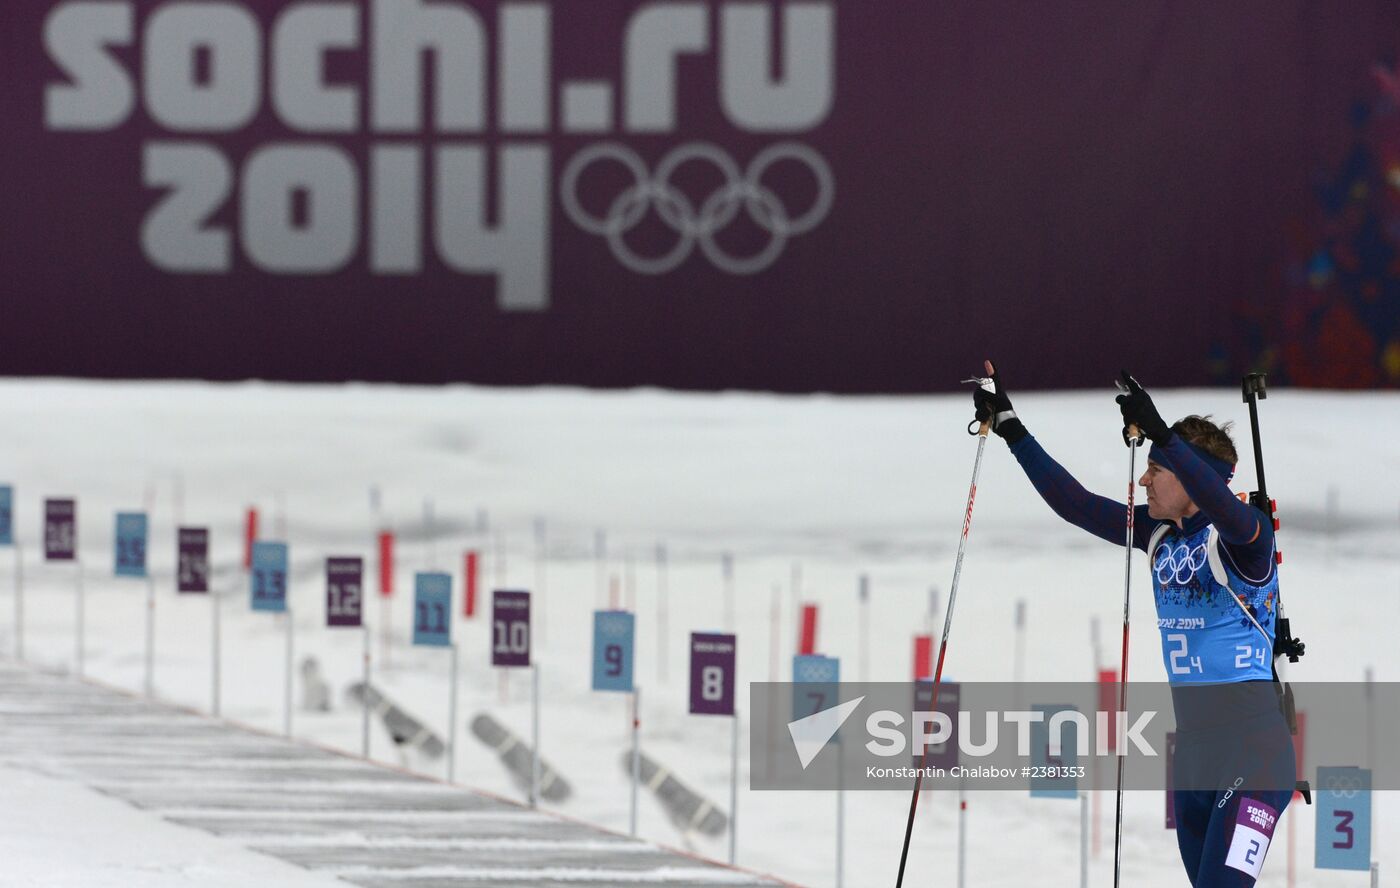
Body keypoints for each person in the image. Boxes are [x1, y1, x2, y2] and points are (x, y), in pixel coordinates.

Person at [972, 360, 1295, 888]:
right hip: (1193, 760)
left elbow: (1229, 514)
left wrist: (1168, 437)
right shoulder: (1158, 533)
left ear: (1194, 476)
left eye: (1158, 469)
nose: (1144, 478)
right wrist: (1012, 427)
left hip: (1254, 756)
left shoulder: (1246, 538)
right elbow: (1076, 505)